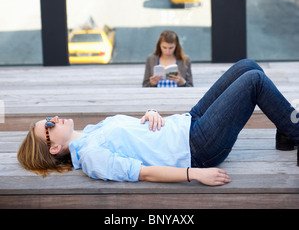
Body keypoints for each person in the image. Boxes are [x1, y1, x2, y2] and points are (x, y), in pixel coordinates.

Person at [17, 59, 299, 186]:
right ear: (53, 148)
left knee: (247, 66)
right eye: (48, 126)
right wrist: (194, 174)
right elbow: (143, 173)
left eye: (49, 118)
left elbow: (139, 138)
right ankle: (295, 130)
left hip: (188, 121)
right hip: (197, 147)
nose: (54, 119)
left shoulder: (92, 132)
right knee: (254, 81)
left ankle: (287, 134)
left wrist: (150, 112)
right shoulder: (91, 157)